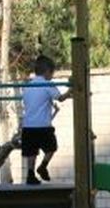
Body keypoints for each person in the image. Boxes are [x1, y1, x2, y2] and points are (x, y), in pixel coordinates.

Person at [19, 55, 71, 184]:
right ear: (47, 71)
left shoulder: (27, 86)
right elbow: (60, 98)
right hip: (43, 125)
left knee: (31, 152)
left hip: (28, 126)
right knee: (51, 148)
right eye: (52, 73)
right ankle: (43, 166)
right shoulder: (47, 84)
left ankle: (30, 175)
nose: (52, 76)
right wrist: (71, 90)